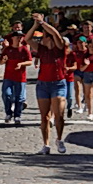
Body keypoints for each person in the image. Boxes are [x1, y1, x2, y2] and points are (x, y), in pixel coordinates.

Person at [29, 14, 69, 155]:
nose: (42, 39)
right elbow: (28, 39)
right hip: (43, 85)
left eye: (44, 37)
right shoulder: (42, 50)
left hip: (58, 84)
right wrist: (36, 25)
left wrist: (43, 23)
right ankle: (45, 144)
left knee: (59, 115)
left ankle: (59, 139)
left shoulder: (59, 48)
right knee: (44, 116)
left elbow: (56, 34)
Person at [0, 27, 32, 125]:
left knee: (20, 97)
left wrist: (21, 64)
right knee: (6, 94)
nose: (19, 39)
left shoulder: (24, 49)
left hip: (20, 77)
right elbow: (1, 62)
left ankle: (17, 115)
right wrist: (4, 60)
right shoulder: (7, 49)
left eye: (21, 37)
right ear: (13, 38)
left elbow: (30, 61)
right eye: (17, 37)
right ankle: (8, 113)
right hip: (8, 77)